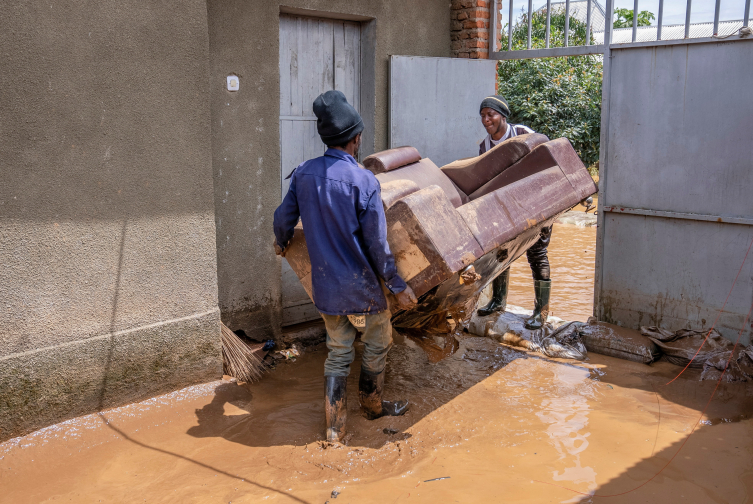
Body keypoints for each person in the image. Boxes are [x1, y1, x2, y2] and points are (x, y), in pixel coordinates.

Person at [273, 90, 418, 443]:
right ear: (356, 139)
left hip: (326, 289)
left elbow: (282, 220)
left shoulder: (304, 173)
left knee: (337, 352)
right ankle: (371, 406)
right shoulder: (364, 181)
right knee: (377, 343)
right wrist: (398, 286)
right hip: (362, 288)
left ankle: (334, 429)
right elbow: (377, 245)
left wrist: (281, 243)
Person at [475, 95, 552, 330]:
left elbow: (547, 155)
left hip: (536, 204)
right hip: (506, 208)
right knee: (501, 253)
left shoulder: (522, 133)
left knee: (537, 253)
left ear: (503, 116)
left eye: (491, 114)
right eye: (483, 115)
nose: (486, 120)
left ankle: (541, 311)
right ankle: (498, 301)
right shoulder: (484, 146)